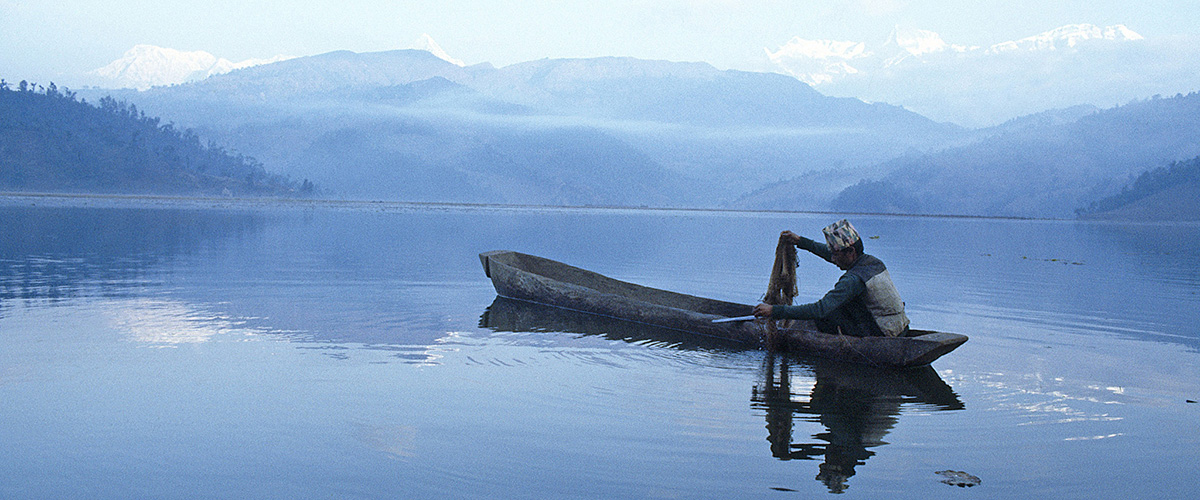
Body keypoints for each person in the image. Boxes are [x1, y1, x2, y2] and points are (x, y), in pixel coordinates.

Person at [752, 219, 909, 337]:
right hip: (899, 328)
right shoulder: (872, 262)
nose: (833, 259)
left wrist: (774, 310)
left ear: (851, 252)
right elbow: (830, 254)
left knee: (827, 313)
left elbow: (819, 309)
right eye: (832, 254)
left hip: (882, 333)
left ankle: (837, 343)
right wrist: (801, 241)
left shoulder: (853, 280)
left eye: (836, 254)